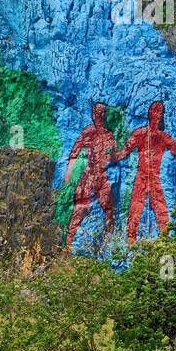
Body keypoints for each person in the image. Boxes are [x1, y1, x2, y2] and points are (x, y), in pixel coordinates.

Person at [111, 101, 176, 244]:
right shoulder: (140, 133)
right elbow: (125, 151)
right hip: (141, 175)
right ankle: (131, 238)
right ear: (149, 113)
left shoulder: (164, 137)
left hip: (154, 177)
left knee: (161, 208)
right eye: (155, 110)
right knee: (136, 206)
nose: (157, 114)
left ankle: (165, 238)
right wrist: (113, 156)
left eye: (160, 111)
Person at [63, 102, 117, 248]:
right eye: (97, 112)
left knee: (109, 209)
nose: (99, 115)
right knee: (80, 207)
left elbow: (113, 158)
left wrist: (111, 153)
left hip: (103, 176)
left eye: (102, 112)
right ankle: (68, 244)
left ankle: (109, 242)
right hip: (90, 175)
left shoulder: (109, 135)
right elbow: (74, 151)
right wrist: (69, 171)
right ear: (93, 115)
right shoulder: (88, 131)